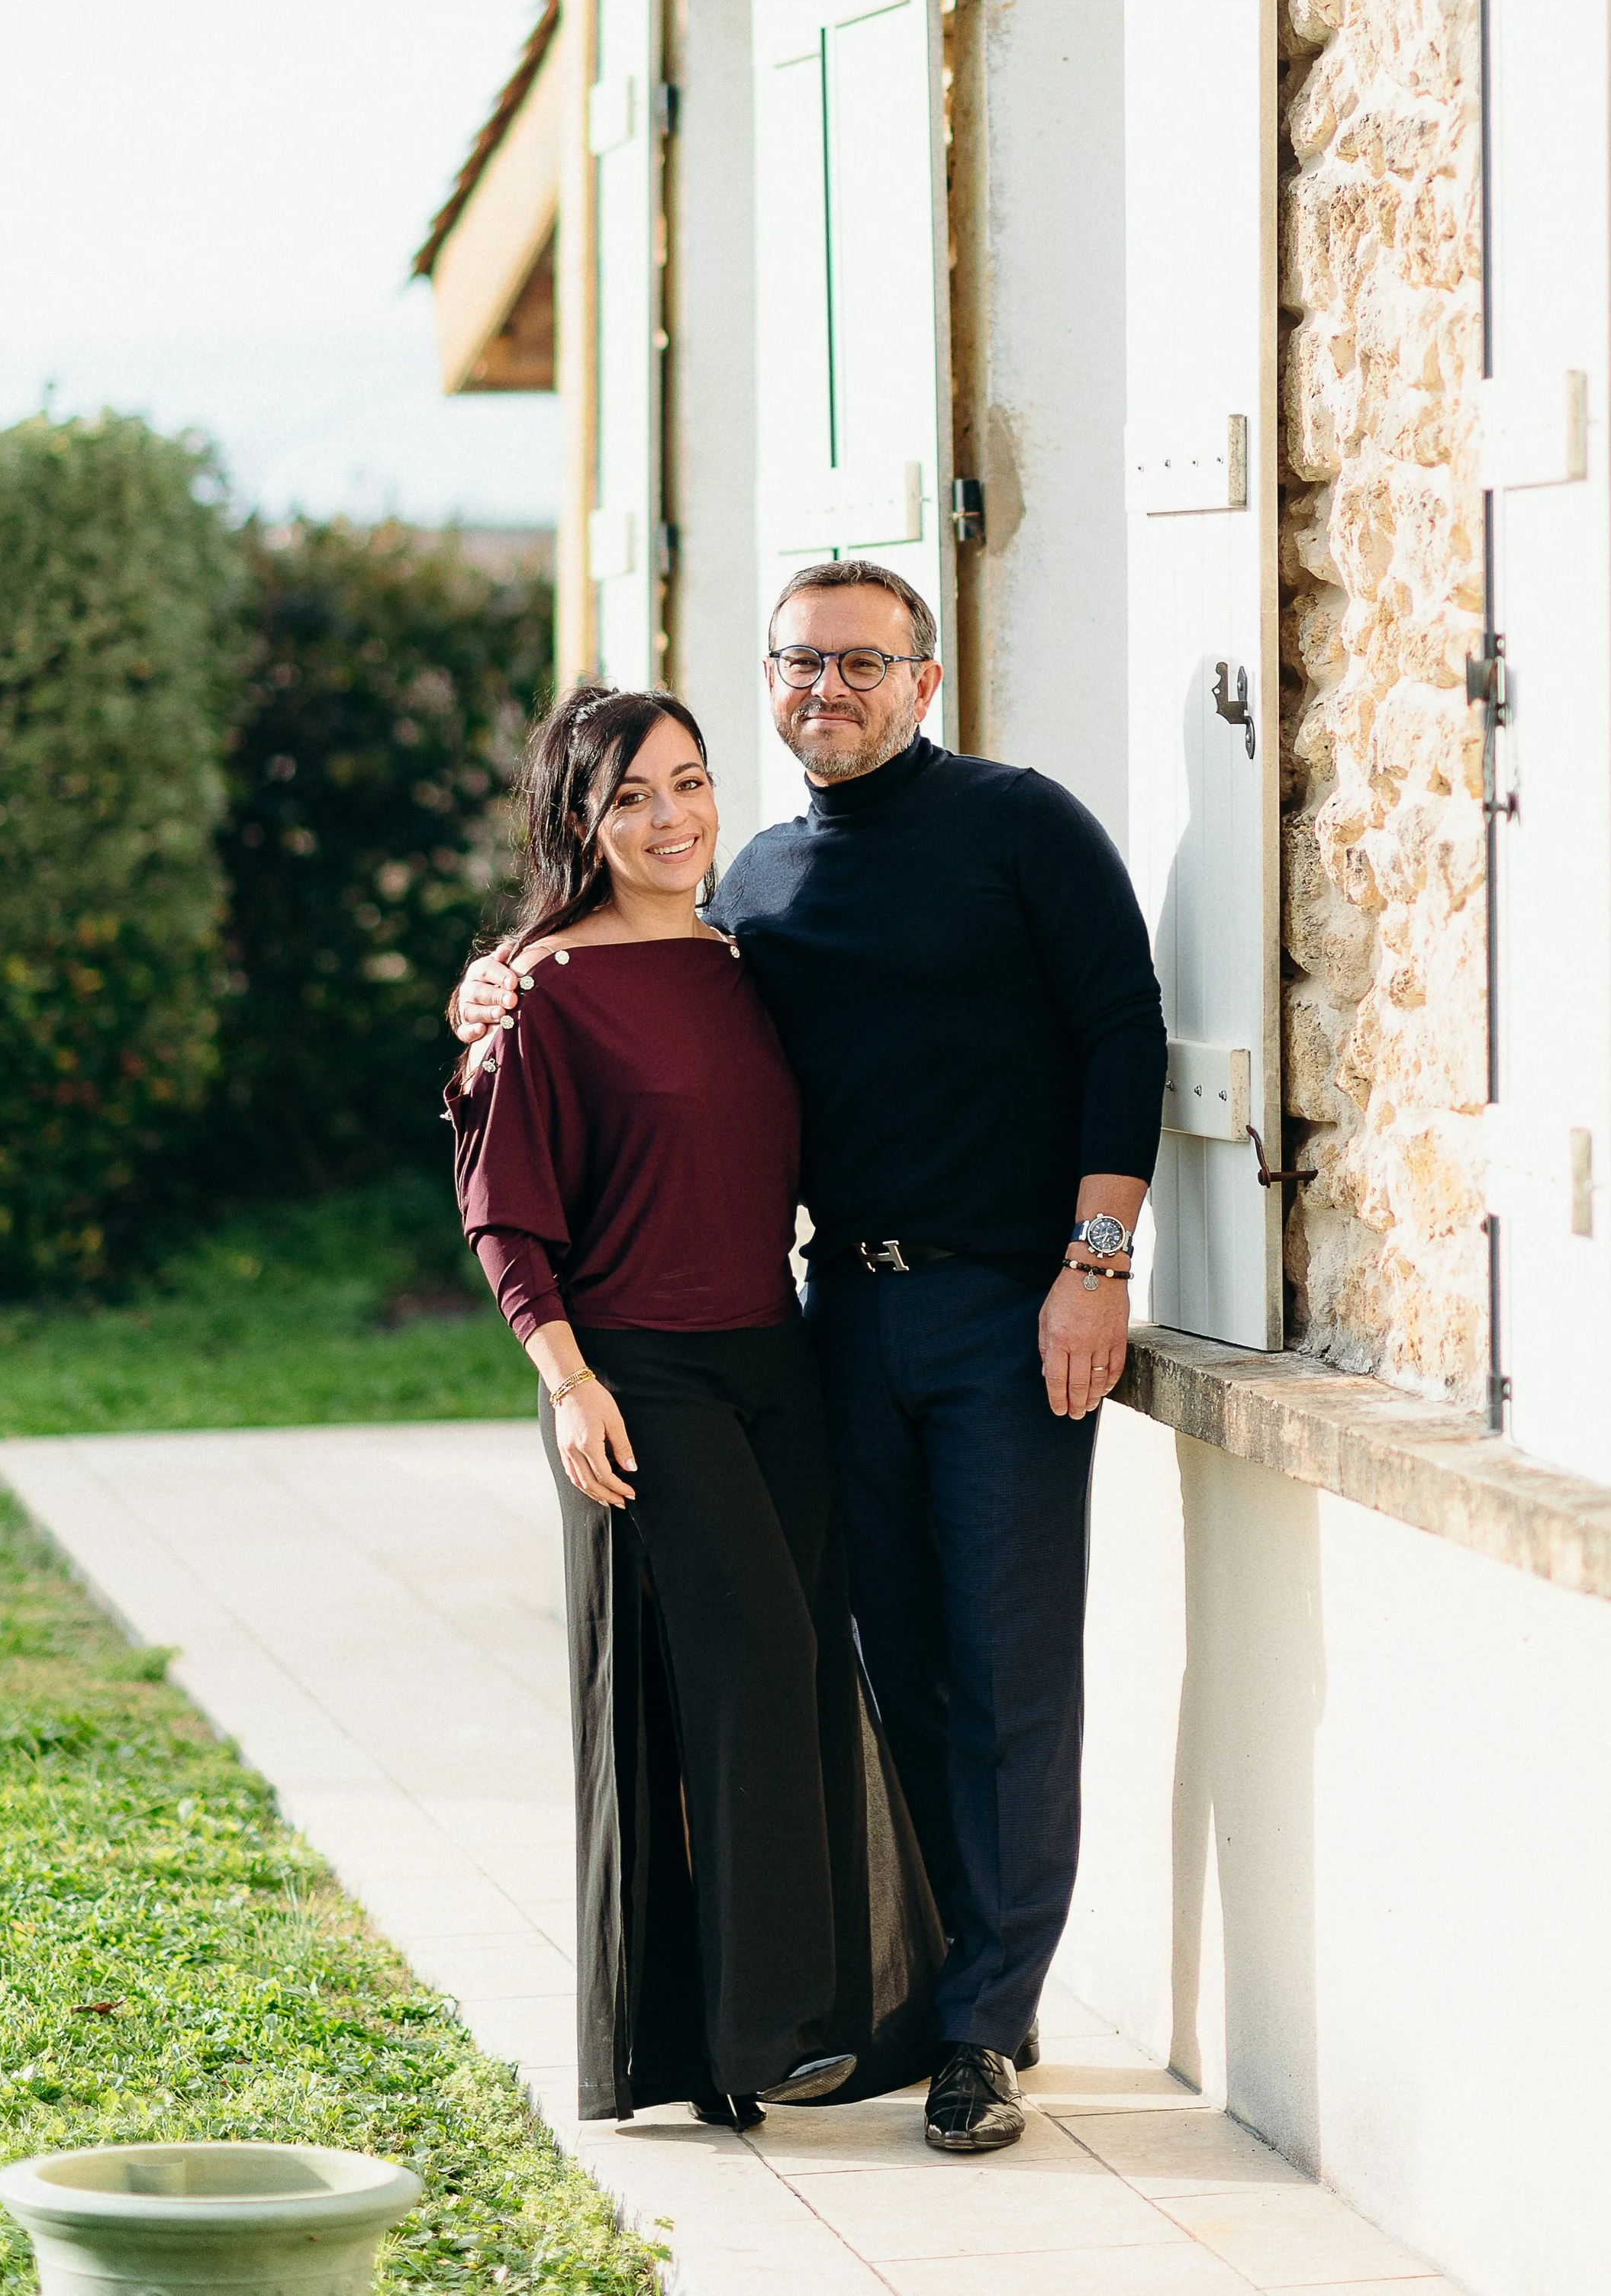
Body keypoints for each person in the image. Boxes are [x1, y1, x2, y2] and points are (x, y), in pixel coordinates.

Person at [458, 564, 1168, 2155]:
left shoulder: (1019, 827)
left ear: (925, 678)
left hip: (1009, 1309)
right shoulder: (751, 889)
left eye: (862, 661)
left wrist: (1093, 1267)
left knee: (1004, 1667)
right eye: (797, 661)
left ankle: (982, 2026)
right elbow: (618, 1007)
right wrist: (495, 977)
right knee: (884, 1655)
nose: (825, 687)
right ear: (768, 678)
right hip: (831, 1320)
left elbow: (1125, 1030)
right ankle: (945, 1986)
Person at [447, 681, 940, 2129]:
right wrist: (569, 1382)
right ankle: (764, 2027)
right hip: (640, 1371)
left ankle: (770, 2022)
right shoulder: (544, 988)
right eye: (633, 797)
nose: (672, 818)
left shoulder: (745, 960)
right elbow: (501, 1209)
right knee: (747, 1663)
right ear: (579, 824)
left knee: (791, 1671)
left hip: (772, 1357)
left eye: (691, 783)